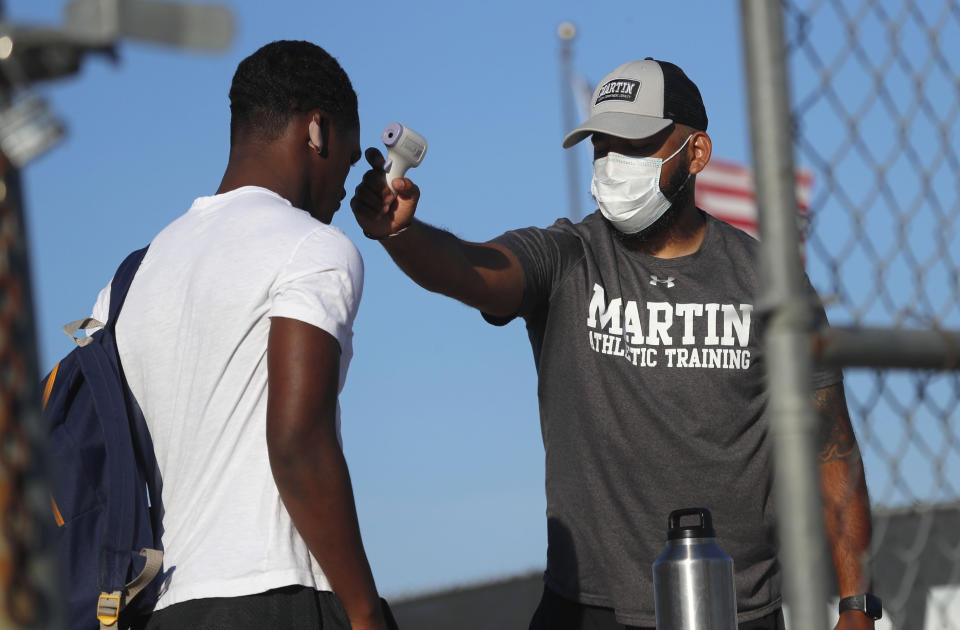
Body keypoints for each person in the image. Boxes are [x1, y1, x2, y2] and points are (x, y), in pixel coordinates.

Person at [351, 59, 876, 630]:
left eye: (636, 145)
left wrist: (856, 604)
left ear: (695, 154)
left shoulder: (771, 282)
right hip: (586, 612)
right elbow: (474, 268)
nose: (613, 166)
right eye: (602, 147)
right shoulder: (568, 257)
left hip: (737, 610)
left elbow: (833, 448)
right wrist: (401, 234)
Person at [89, 41, 394, 630]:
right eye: (350, 161)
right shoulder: (313, 248)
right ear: (317, 130)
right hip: (277, 596)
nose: (342, 186)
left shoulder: (126, 282)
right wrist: (363, 612)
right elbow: (297, 441)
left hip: (162, 607)